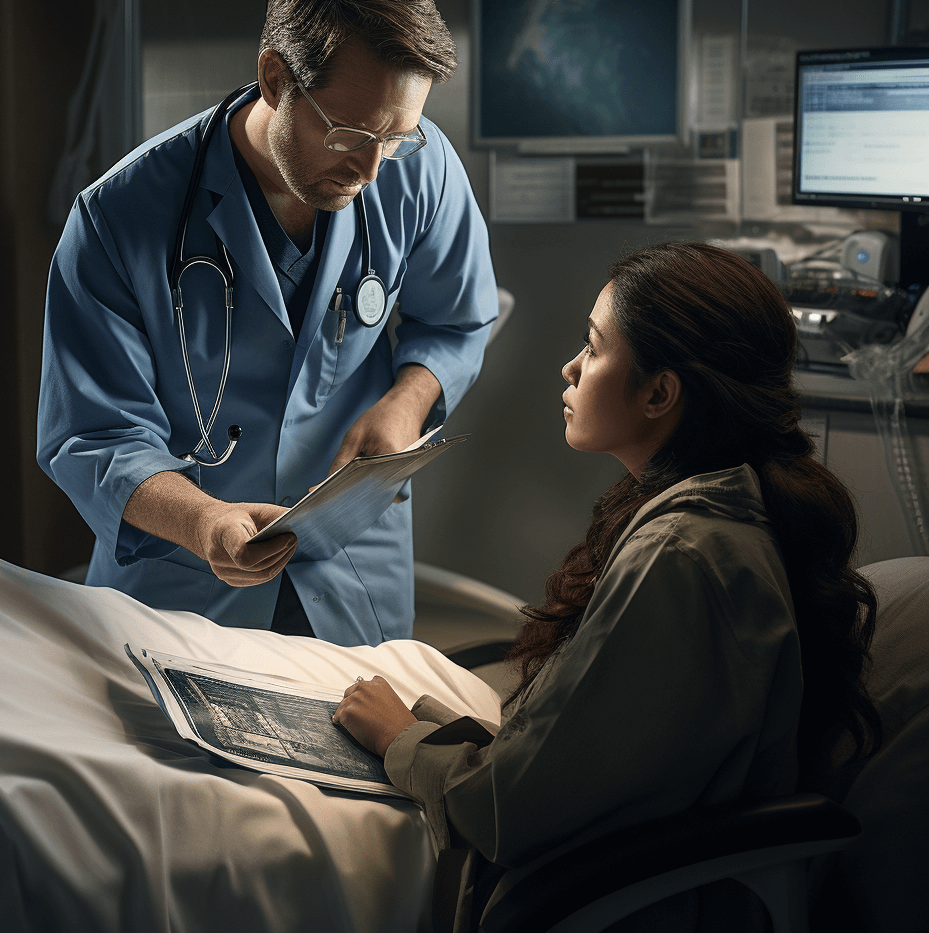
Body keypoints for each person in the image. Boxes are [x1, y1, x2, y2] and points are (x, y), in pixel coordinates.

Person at [333, 242, 882, 932]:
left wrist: (399, 742)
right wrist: (435, 731)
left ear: (660, 392)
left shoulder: (681, 558)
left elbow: (510, 812)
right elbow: (586, 754)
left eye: (593, 349)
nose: (569, 367)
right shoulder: (711, 518)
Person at [37, 0, 498, 645]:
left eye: (396, 137)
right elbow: (93, 435)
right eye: (350, 133)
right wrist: (200, 520)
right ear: (275, 80)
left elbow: (460, 318)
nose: (373, 169)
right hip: (185, 576)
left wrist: (406, 404)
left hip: (349, 560)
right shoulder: (118, 218)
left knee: (365, 743)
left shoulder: (422, 167)